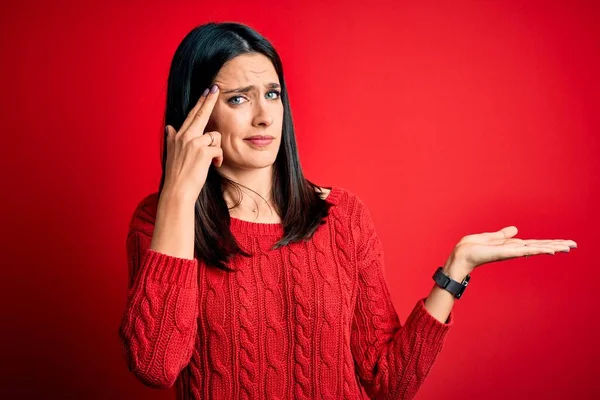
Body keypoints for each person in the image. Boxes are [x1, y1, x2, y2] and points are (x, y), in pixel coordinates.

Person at [118, 21, 577, 399]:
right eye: (239, 98)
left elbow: (387, 381)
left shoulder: (342, 215)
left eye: (273, 94)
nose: (264, 116)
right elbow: (157, 365)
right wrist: (179, 195)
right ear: (198, 110)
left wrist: (456, 271)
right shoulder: (158, 220)